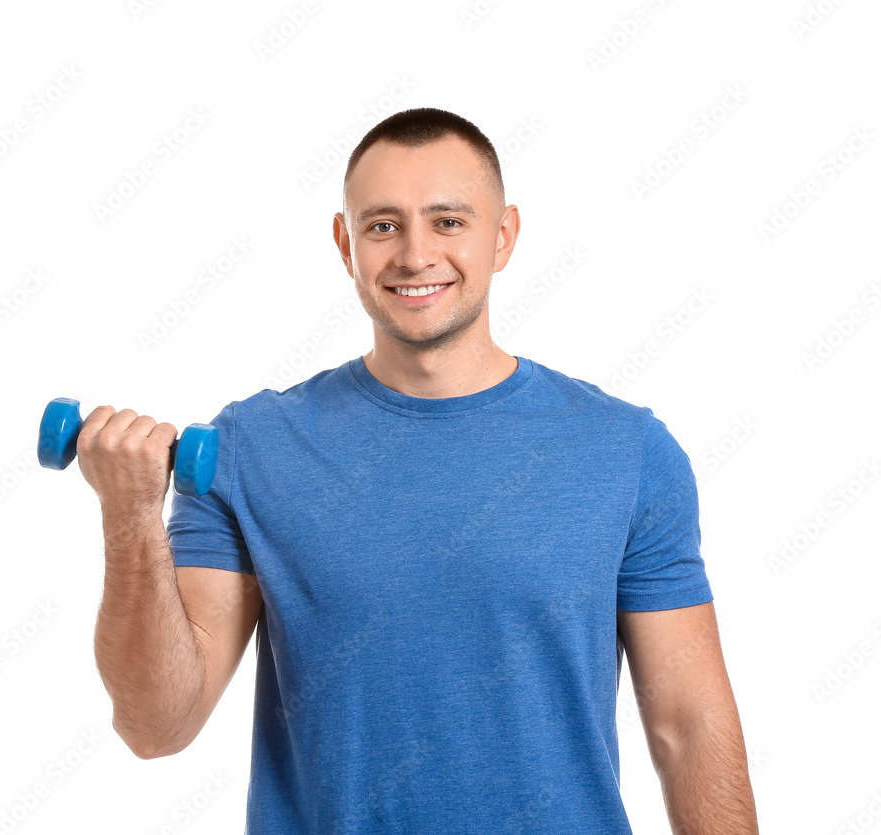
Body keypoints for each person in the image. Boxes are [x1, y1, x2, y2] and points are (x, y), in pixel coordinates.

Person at [82, 107, 759, 833]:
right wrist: (129, 516)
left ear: (503, 237)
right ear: (346, 244)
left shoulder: (627, 452)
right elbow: (157, 725)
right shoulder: (251, 448)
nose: (414, 254)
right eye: (382, 226)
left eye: (448, 222)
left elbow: (688, 726)